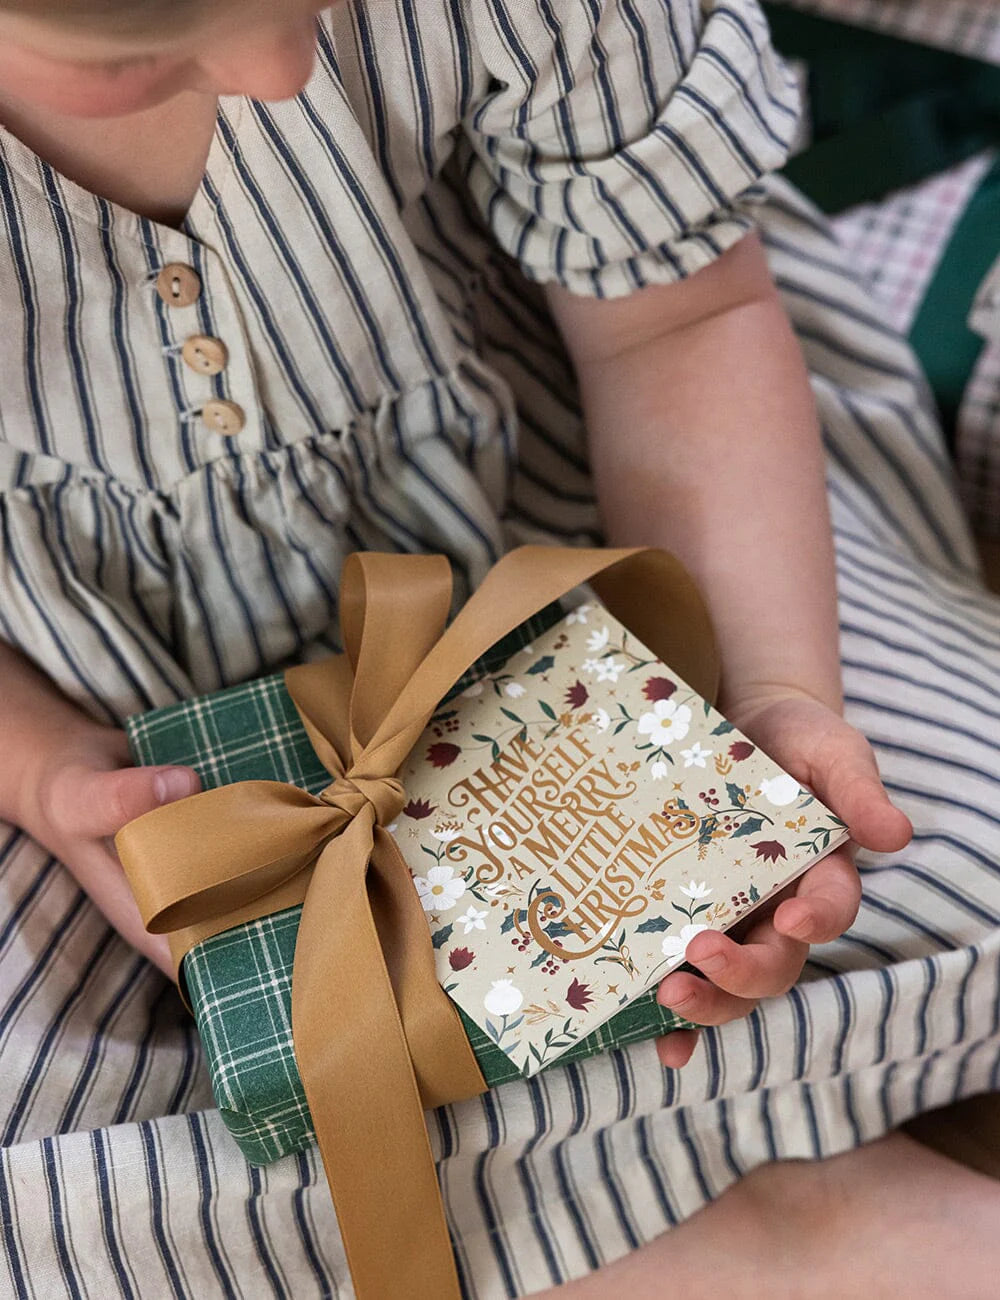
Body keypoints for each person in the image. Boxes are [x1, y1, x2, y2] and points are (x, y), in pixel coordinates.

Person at [0, 1, 997, 1296]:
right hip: (68, 684)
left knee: (923, 837)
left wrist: (770, 694)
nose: (276, 69)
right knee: (57, 1175)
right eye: (137, 56)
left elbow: (675, 326)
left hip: (569, 508)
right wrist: (45, 773)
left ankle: (642, 1204)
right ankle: (749, 1212)